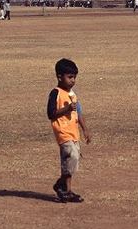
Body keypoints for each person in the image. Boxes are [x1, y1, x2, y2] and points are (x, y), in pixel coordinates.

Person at [47, 58, 91, 203]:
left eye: (74, 77)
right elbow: (51, 114)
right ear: (60, 77)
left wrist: (85, 130)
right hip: (63, 132)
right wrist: (66, 108)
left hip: (74, 133)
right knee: (71, 157)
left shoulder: (73, 95)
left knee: (72, 162)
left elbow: (79, 112)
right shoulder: (55, 93)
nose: (73, 81)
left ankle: (67, 190)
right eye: (70, 77)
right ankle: (61, 185)